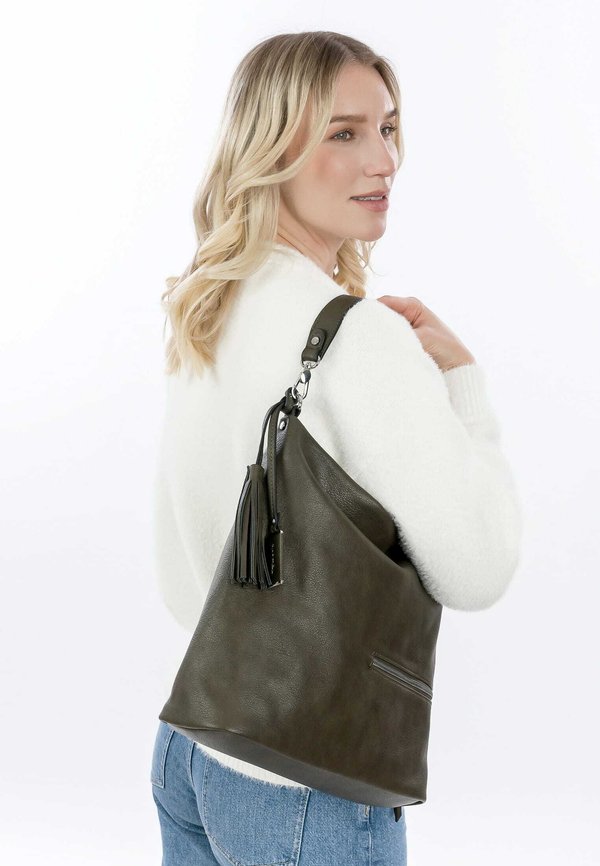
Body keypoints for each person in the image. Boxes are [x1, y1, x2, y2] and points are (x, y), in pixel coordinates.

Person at [149, 30, 523, 866]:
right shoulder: (357, 339)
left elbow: (185, 555)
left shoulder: (208, 301)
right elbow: (480, 567)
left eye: (387, 127)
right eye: (344, 133)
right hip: (303, 782)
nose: (383, 160)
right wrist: (463, 383)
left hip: (194, 744)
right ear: (271, 149)